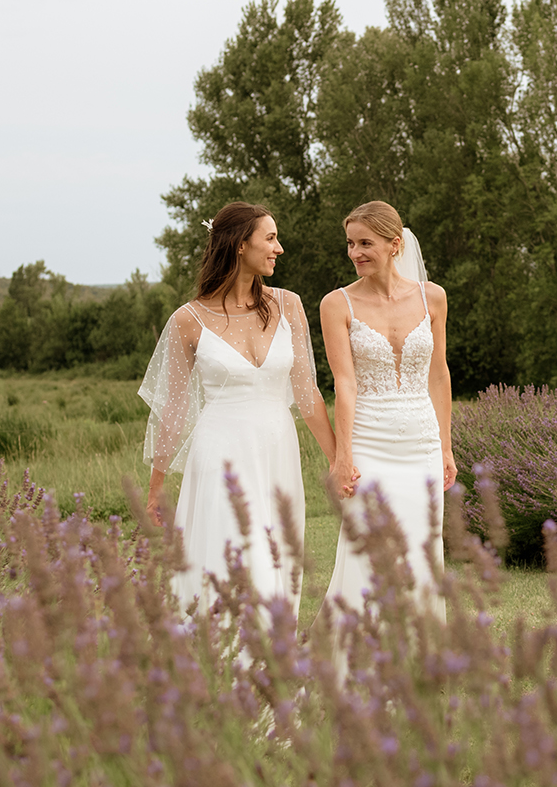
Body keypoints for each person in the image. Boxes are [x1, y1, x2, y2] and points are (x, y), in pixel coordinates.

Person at [139, 201, 337, 620]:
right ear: (239, 245)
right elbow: (172, 410)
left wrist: (340, 462)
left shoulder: (290, 305)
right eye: (270, 238)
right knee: (232, 559)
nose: (279, 248)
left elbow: (308, 395)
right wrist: (155, 490)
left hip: (277, 454)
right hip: (220, 453)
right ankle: (228, 659)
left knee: (277, 556)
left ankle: (270, 665)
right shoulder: (187, 320)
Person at [319, 201, 454, 623]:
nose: (355, 252)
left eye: (365, 243)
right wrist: (343, 456)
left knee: (420, 546)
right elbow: (345, 382)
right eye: (350, 243)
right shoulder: (336, 304)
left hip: (422, 443)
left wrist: (446, 448)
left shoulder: (433, 298)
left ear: (395, 245)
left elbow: (438, 376)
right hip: (369, 442)